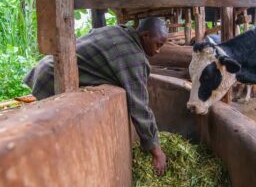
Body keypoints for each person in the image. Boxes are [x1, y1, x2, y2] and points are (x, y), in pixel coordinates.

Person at [24, 17, 168, 175]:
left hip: (46, 66)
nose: (158, 51)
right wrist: (156, 150)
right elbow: (139, 106)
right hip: (54, 76)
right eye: (158, 44)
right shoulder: (132, 56)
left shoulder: (118, 31)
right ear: (145, 36)